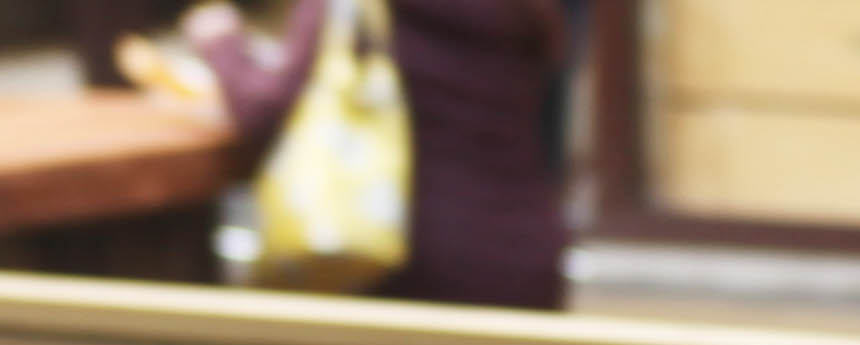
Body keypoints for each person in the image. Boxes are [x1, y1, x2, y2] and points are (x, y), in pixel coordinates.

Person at [130, 0, 567, 311]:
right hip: (526, 256)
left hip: (403, 257)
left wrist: (220, 40)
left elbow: (263, 114)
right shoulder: (525, 11)